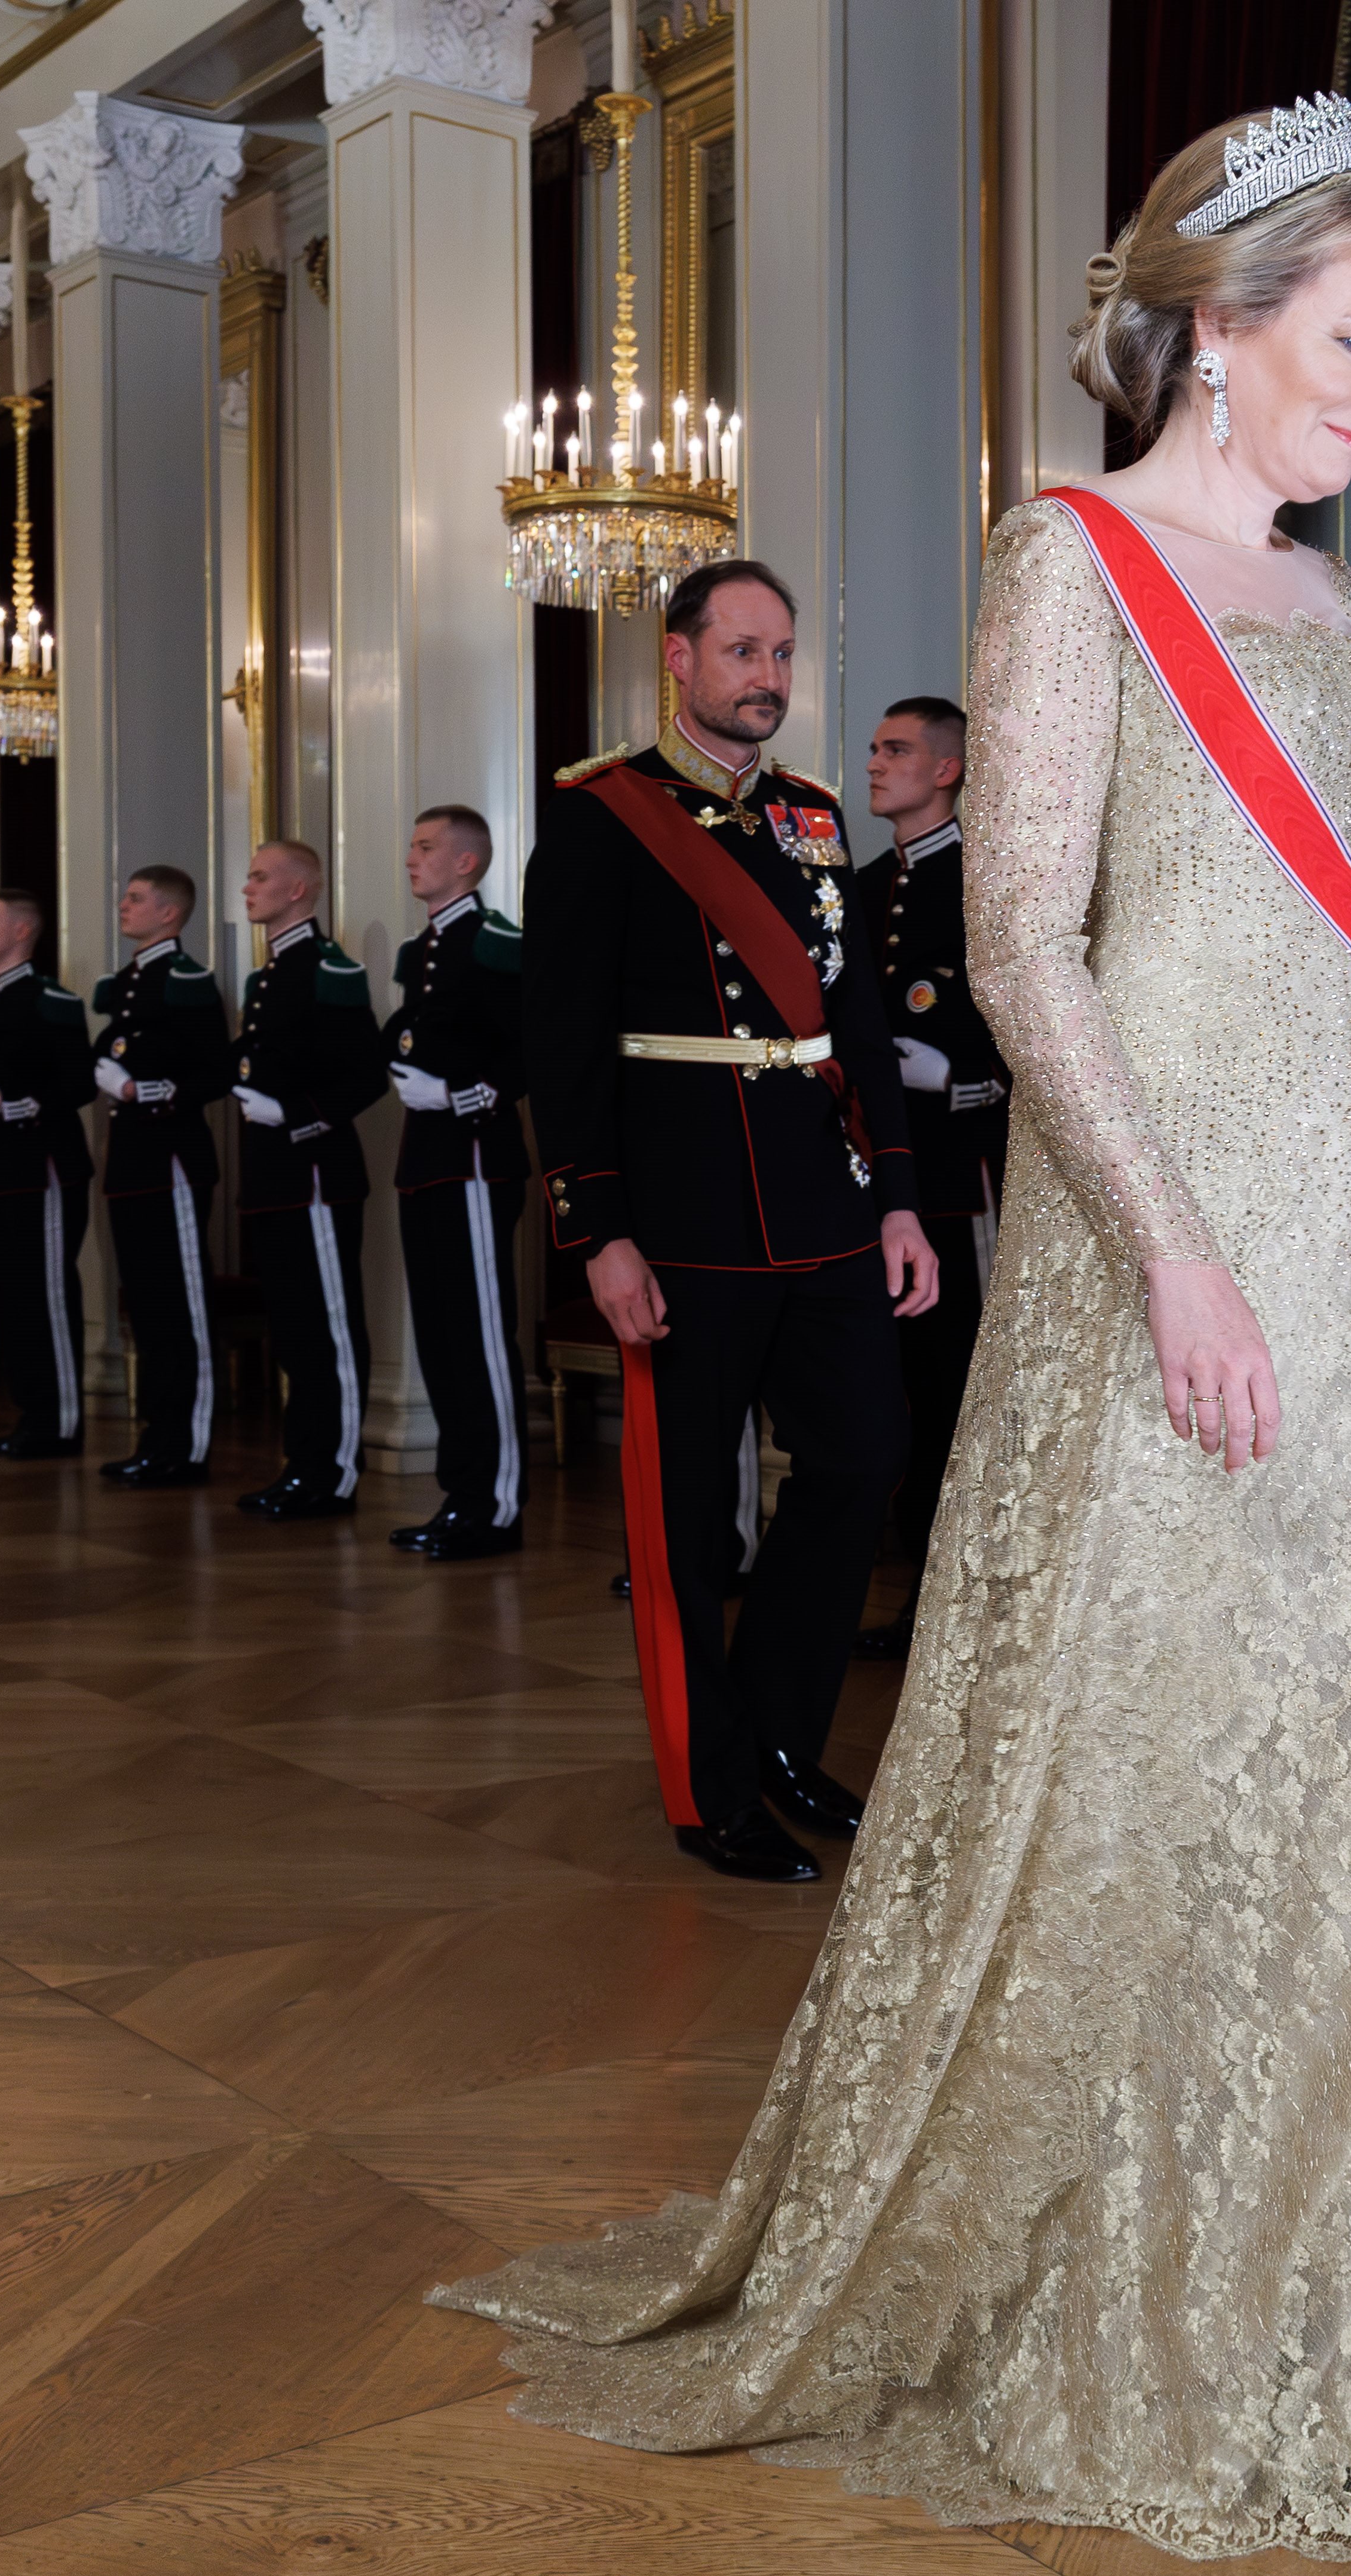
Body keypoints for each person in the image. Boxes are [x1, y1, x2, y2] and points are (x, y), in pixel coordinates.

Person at [435, 102, 1351, 2559]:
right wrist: (1170, 1243)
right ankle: (1133, 2248)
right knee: (1152, 1738)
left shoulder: (1327, 600)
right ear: (1220, 322)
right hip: (1165, 1236)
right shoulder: (1072, 556)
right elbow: (1018, 944)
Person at [516, 561, 926, 1880]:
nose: (768, 675)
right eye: (743, 650)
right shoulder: (603, 813)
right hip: (681, 1208)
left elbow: (855, 1018)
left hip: (823, 1197)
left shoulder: (812, 815)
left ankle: (784, 1733)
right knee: (688, 1516)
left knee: (860, 1457)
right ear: (680, 659)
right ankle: (712, 1784)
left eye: (783, 652)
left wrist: (900, 1196)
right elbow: (562, 1040)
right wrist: (599, 1228)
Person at [849, 695, 1010, 1660]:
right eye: (874, 748)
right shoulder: (865, 888)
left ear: (946, 768)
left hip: (960, 1173)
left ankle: (962, 1606)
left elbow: (1028, 1016)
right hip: (877, 1179)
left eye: (897, 749)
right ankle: (913, 1592)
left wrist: (958, 1076)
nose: (875, 763)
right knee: (900, 1392)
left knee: (962, 1388)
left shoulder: (987, 878)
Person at [382, 804, 531, 1560]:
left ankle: (495, 1503)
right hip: (428, 1159)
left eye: (426, 846)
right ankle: (461, 1494)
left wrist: (465, 1094)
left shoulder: (497, 942)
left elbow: (531, 1044)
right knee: (441, 1334)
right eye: (413, 846)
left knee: (479, 1334)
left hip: (474, 1154)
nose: (412, 857)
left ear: (467, 862)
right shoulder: (421, 949)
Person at [230, 839, 387, 1518]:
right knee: (294, 1328)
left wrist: (295, 1114)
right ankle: (303, 1464)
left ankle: (332, 1472)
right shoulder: (266, 977)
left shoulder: (329, 968)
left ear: (298, 889)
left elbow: (366, 1075)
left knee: (328, 1327)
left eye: (261, 876)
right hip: (274, 1175)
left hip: (316, 1171)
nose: (248, 887)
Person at [91, 865, 232, 1488]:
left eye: (137, 898)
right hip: (131, 1159)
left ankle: (185, 1442)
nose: (124, 905)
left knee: (181, 1304)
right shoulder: (127, 981)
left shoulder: (186, 979)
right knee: (147, 1304)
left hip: (172, 1156)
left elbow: (215, 1071)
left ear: (170, 913)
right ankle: (156, 1435)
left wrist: (144, 1090)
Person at [0, 890, 96, 1459]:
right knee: (17, 1293)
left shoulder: (49, 999)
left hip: (45, 1164)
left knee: (46, 1292)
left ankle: (57, 1420)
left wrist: (12, 1104)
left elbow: (79, 1083)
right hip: (4, 1164)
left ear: (21, 931)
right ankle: (32, 1412)